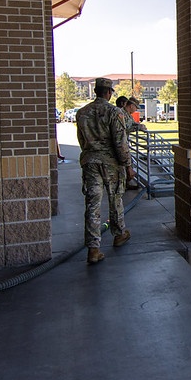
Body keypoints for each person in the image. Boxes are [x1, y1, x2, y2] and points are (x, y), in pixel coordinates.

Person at [75, 78, 133, 264]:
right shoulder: (114, 112)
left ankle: (93, 249)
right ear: (108, 93)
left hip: (90, 162)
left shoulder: (82, 113)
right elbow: (120, 143)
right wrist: (127, 165)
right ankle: (119, 234)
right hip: (111, 164)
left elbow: (82, 140)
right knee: (115, 199)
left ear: (96, 92)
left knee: (93, 204)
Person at [120, 97, 146, 190]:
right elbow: (124, 128)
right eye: (136, 108)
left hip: (124, 144)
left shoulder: (128, 115)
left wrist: (139, 125)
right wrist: (138, 128)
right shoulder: (120, 114)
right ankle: (122, 186)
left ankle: (125, 184)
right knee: (124, 165)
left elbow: (132, 124)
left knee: (127, 165)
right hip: (119, 144)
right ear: (131, 106)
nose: (136, 110)